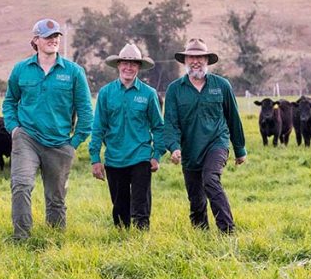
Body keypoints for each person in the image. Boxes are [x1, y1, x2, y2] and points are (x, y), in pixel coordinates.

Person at [3, 18, 93, 240]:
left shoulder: (74, 72)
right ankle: (21, 237)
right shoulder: (21, 70)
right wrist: (14, 128)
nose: (53, 40)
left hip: (60, 142)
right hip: (27, 138)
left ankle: (54, 239)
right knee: (21, 184)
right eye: (48, 37)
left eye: (56, 37)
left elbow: (86, 111)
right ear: (35, 40)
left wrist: (74, 142)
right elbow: (9, 102)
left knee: (56, 197)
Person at [163, 38, 247, 234]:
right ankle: (201, 235)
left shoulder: (222, 85)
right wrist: (174, 147)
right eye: (191, 57)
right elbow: (170, 123)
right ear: (185, 60)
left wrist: (239, 149)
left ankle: (227, 231)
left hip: (216, 143)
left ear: (207, 60)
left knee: (210, 180)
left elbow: (233, 117)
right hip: (189, 149)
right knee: (196, 199)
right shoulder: (175, 89)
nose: (196, 61)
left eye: (200, 57)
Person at [89, 43, 164, 229]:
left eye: (133, 64)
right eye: (125, 63)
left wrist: (156, 156)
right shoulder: (106, 93)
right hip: (114, 158)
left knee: (141, 206)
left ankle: (141, 245)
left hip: (141, 157)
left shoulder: (149, 94)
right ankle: (122, 242)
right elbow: (98, 127)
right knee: (120, 209)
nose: (128, 68)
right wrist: (94, 158)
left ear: (139, 67)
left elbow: (158, 127)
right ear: (118, 65)